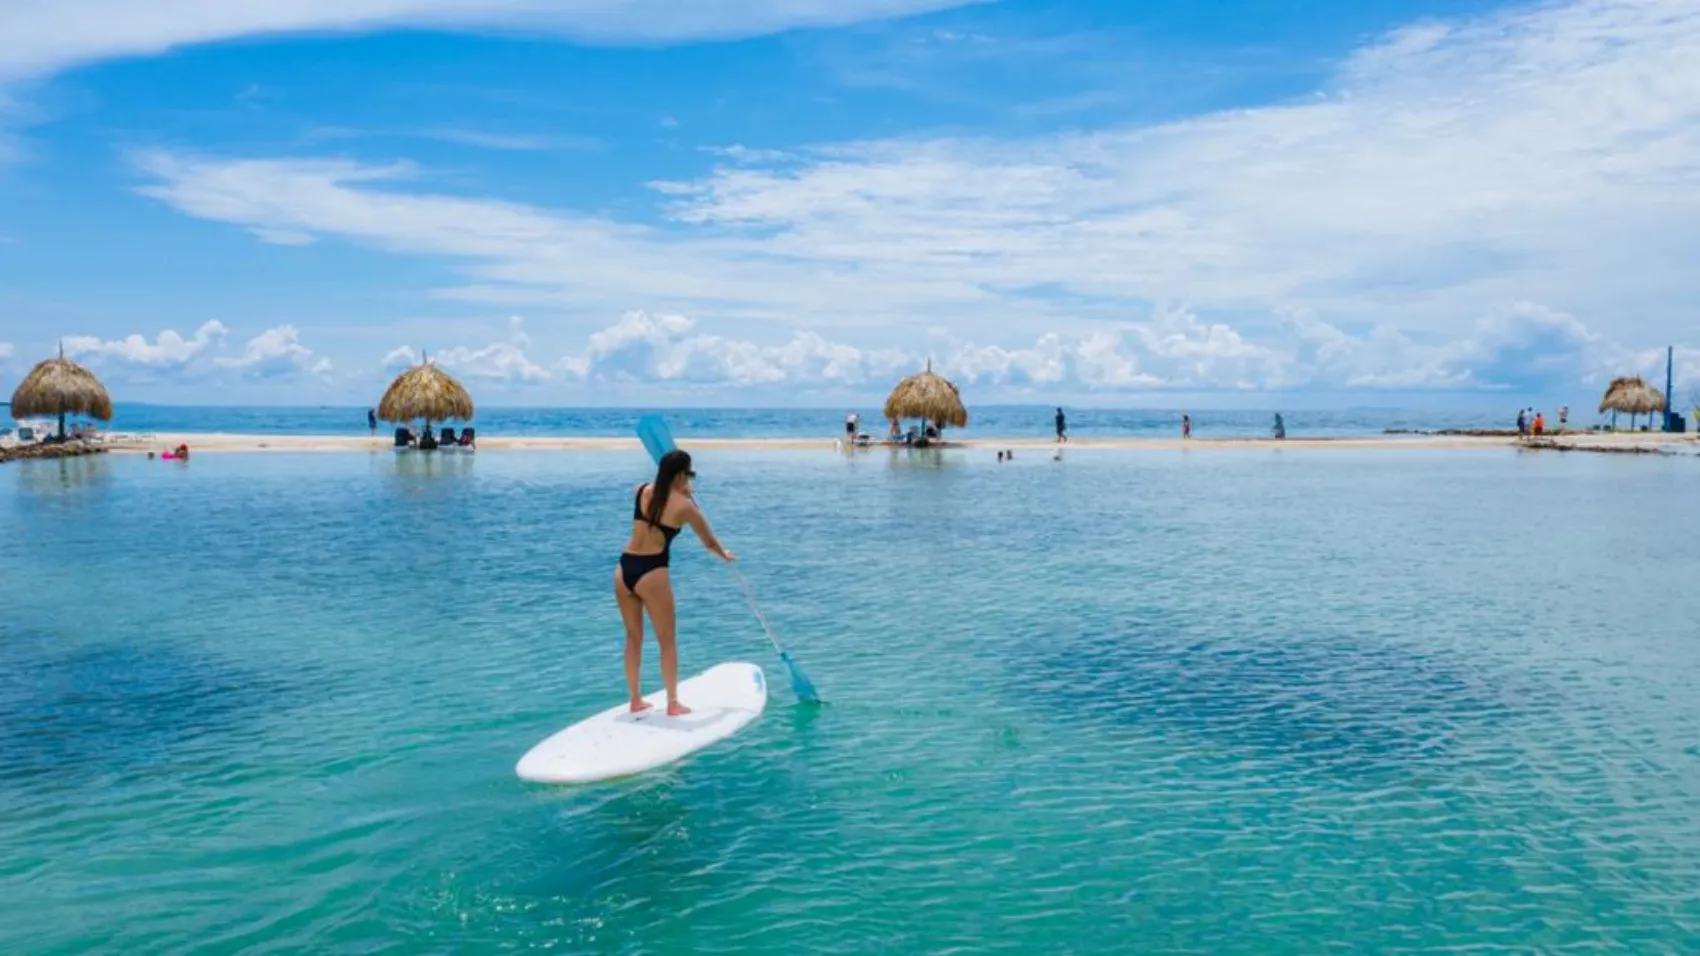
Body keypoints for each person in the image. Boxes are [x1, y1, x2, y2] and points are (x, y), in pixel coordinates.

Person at [614, 449, 734, 716]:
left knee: (633, 638)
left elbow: (657, 494)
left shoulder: (641, 490)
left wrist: (682, 489)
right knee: (667, 640)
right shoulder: (684, 507)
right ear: (682, 475)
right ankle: (672, 703)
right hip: (652, 571)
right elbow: (709, 541)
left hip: (624, 570)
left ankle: (635, 699)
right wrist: (724, 555)